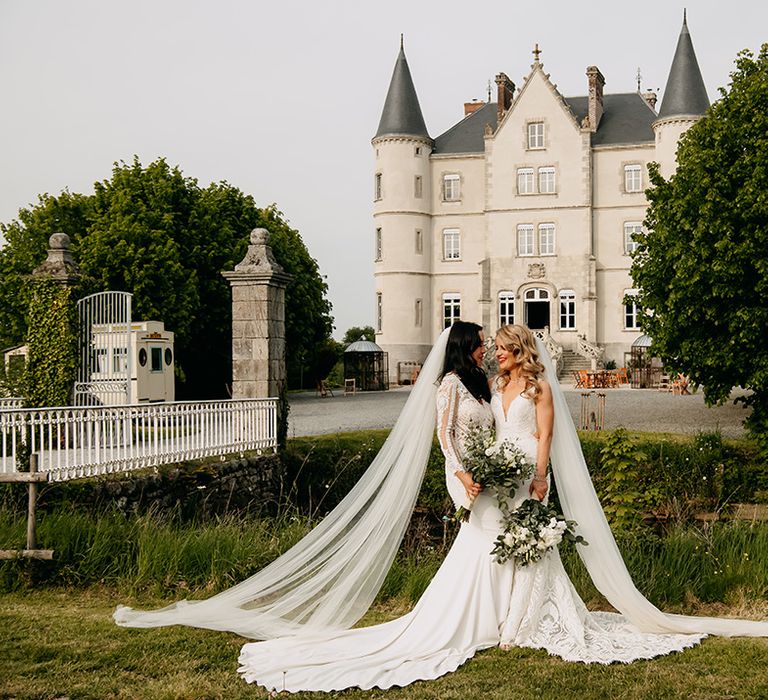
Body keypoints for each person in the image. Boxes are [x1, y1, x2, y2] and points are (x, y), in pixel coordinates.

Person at [115, 323, 768, 691]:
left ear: (519, 356)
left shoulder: (527, 387)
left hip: (518, 481)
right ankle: (487, 625)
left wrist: (535, 479)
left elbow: (537, 439)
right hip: (490, 483)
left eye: (505, 349)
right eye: (492, 348)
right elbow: (449, 435)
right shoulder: (474, 383)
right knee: (487, 553)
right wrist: (467, 472)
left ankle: (516, 625)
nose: (498, 355)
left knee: (527, 555)